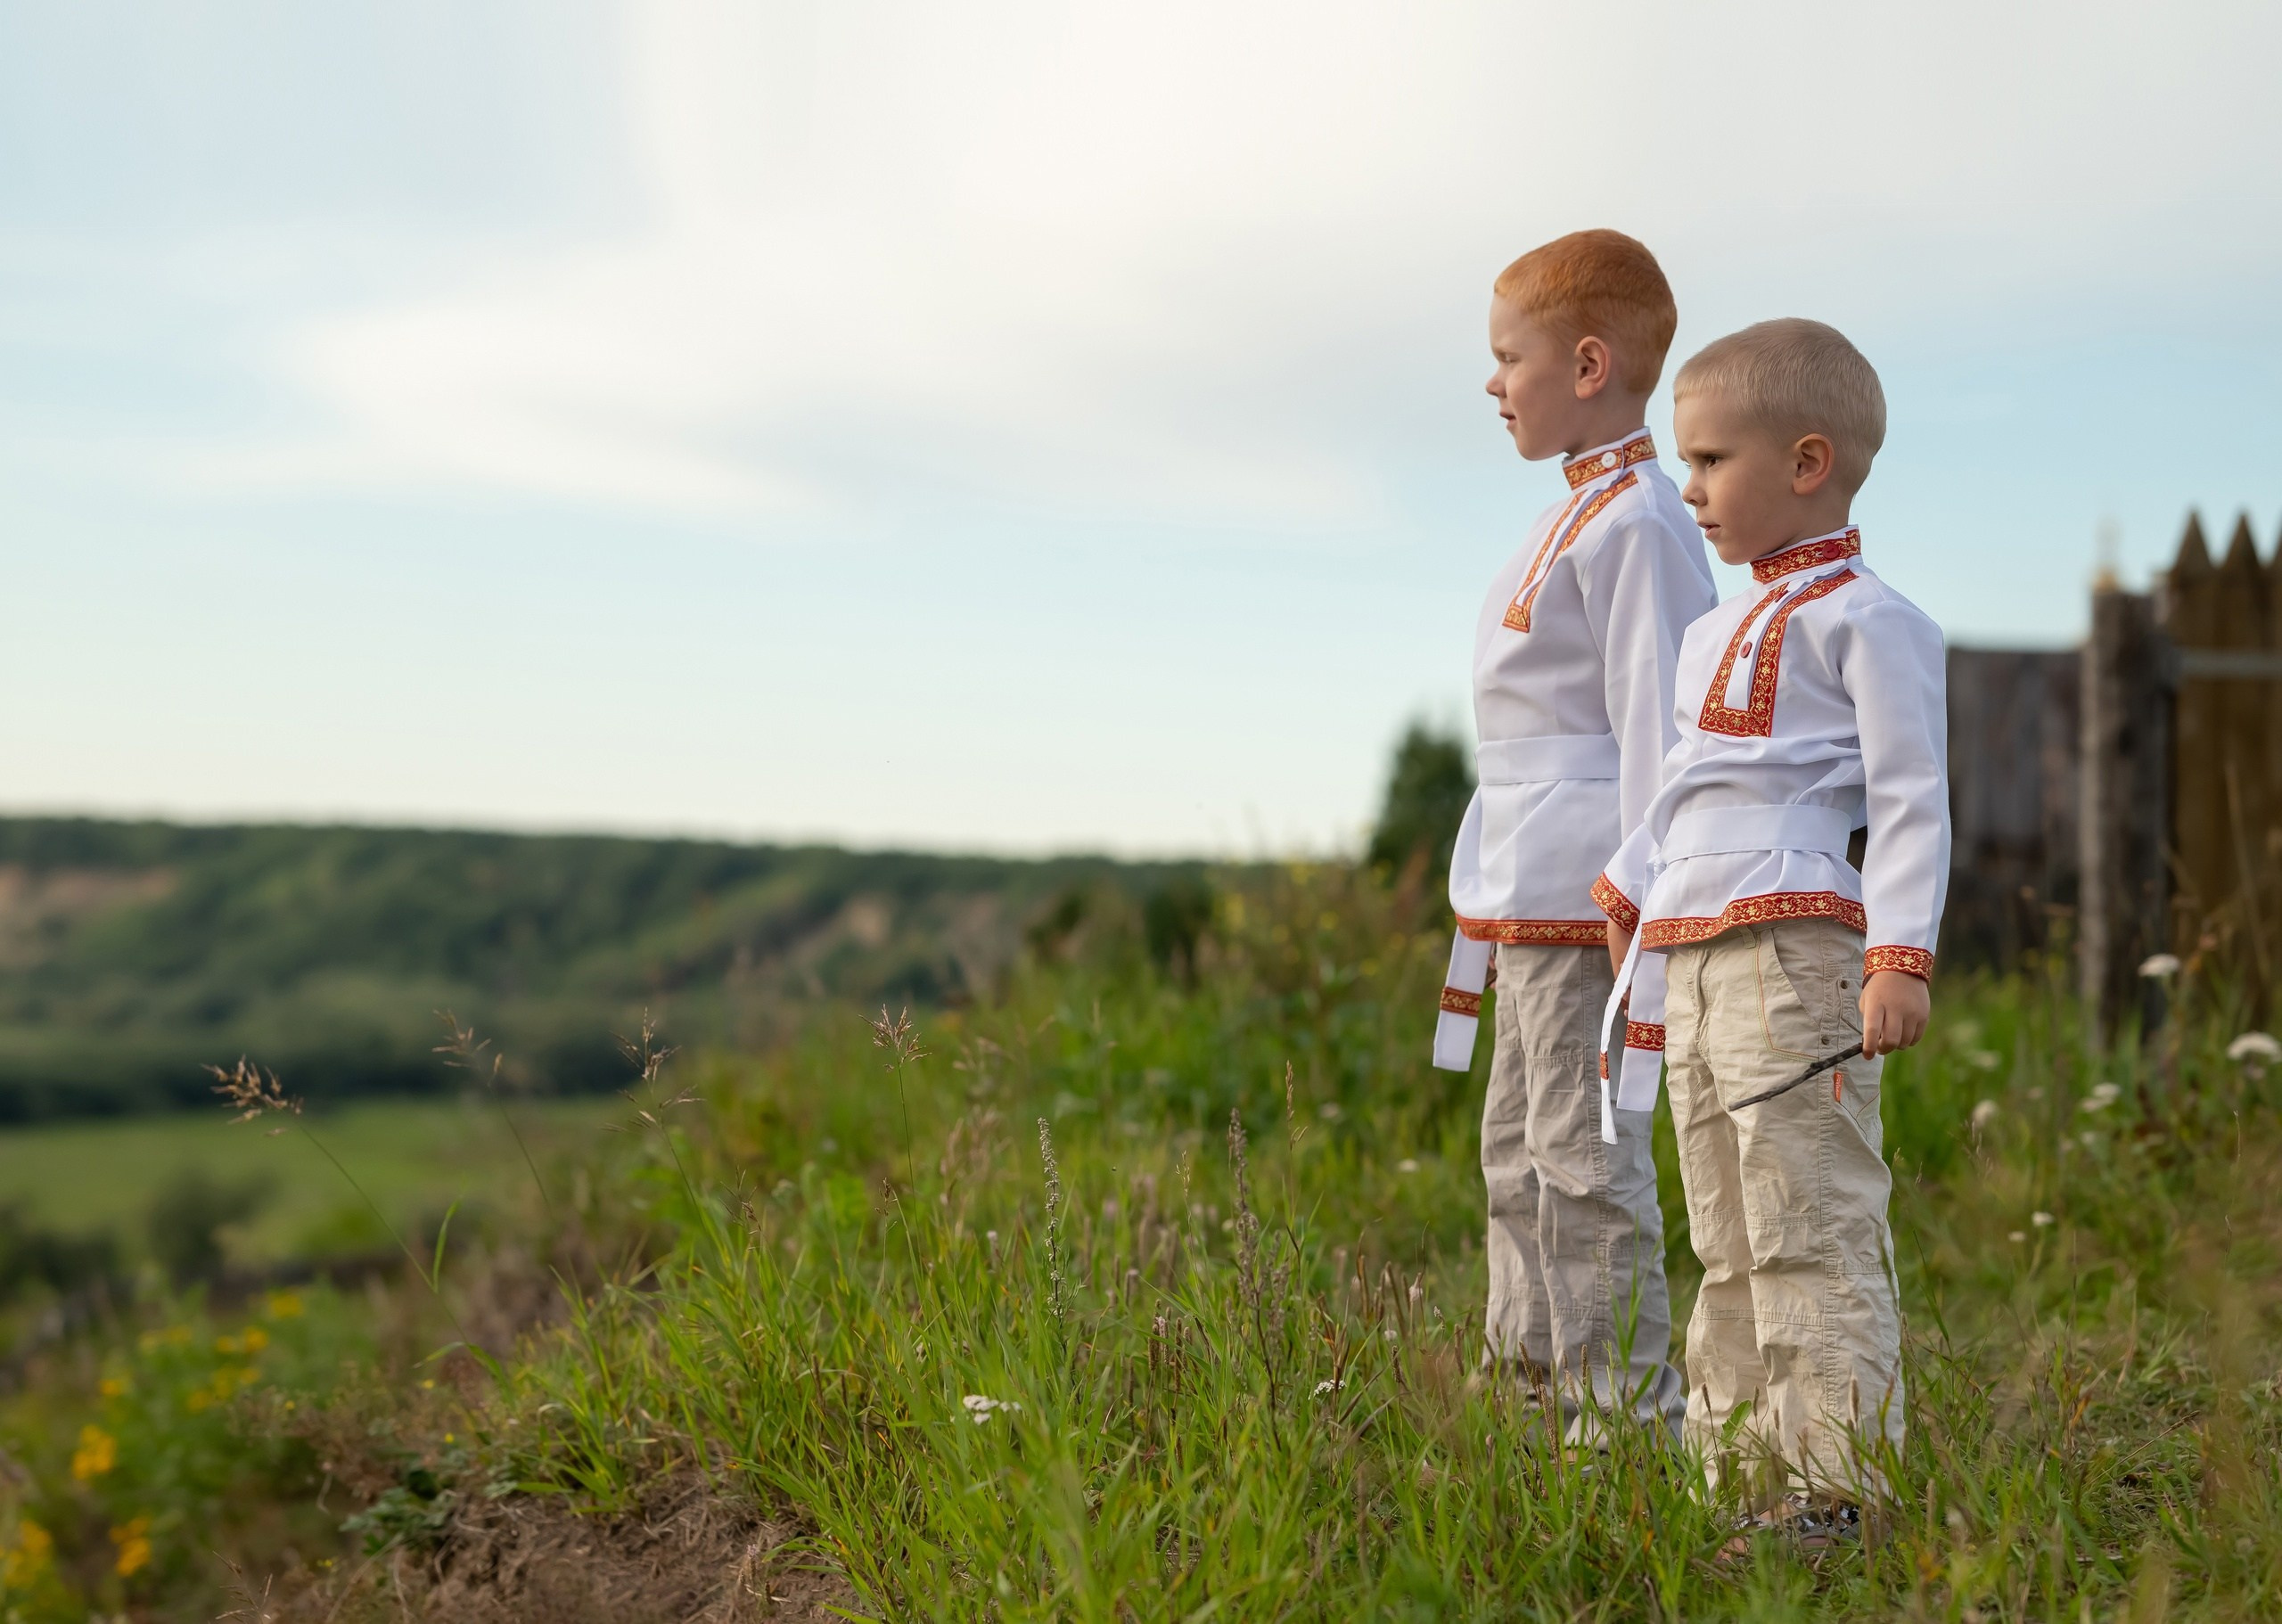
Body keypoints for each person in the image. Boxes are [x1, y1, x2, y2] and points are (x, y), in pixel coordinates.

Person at [1594, 317, 1949, 1540]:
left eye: (1708, 462)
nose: (1688, 490)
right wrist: (1634, 880)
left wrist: (1900, 950)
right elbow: (1687, 782)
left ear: (1806, 462)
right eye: (1685, 465)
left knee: (1811, 1215)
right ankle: (1739, 1468)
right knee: (1727, 1227)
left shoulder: (1872, 620)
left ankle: (1840, 1487)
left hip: (1796, 954)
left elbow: (1908, 795)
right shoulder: (1709, 633)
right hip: (1691, 953)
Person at [1431, 229, 1714, 1437]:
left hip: (1586, 893)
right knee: (1516, 1149)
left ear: (1588, 365)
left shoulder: (1642, 525)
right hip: (1519, 887)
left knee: (1583, 1155)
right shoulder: (1569, 520)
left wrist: (1641, 891)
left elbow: (1664, 726)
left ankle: (1619, 1416)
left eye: (1511, 357)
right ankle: (1529, 1386)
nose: (1494, 383)